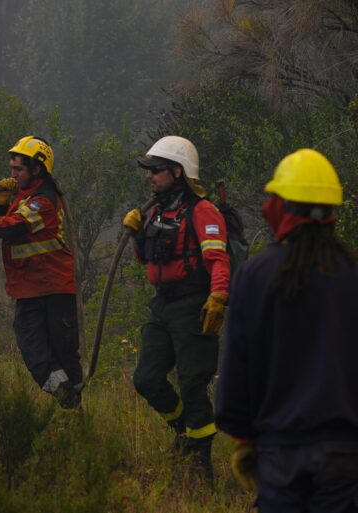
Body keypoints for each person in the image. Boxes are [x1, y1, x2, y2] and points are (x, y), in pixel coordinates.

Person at [216, 148, 358, 512]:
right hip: (345, 455)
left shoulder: (255, 275)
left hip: (279, 453)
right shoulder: (351, 275)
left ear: (281, 207)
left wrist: (242, 436)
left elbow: (237, 364)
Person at [122, 135, 231, 482]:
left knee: (192, 385)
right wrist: (138, 235)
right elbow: (145, 261)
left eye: (155, 170)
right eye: (148, 171)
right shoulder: (156, 212)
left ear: (178, 172)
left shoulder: (203, 211)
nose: (149, 176)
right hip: (162, 306)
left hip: (192, 306)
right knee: (147, 379)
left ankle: (202, 465)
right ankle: (184, 432)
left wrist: (217, 299)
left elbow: (218, 260)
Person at [0, 136, 83, 409]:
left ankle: (74, 401)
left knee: (62, 349)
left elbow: (10, 228)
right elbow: (4, 222)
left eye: (18, 169)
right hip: (30, 288)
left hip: (54, 287)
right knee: (34, 351)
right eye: (11, 168)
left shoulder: (43, 202)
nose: (12, 174)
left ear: (37, 169)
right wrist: (0, 200)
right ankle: (67, 397)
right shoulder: (25, 196)